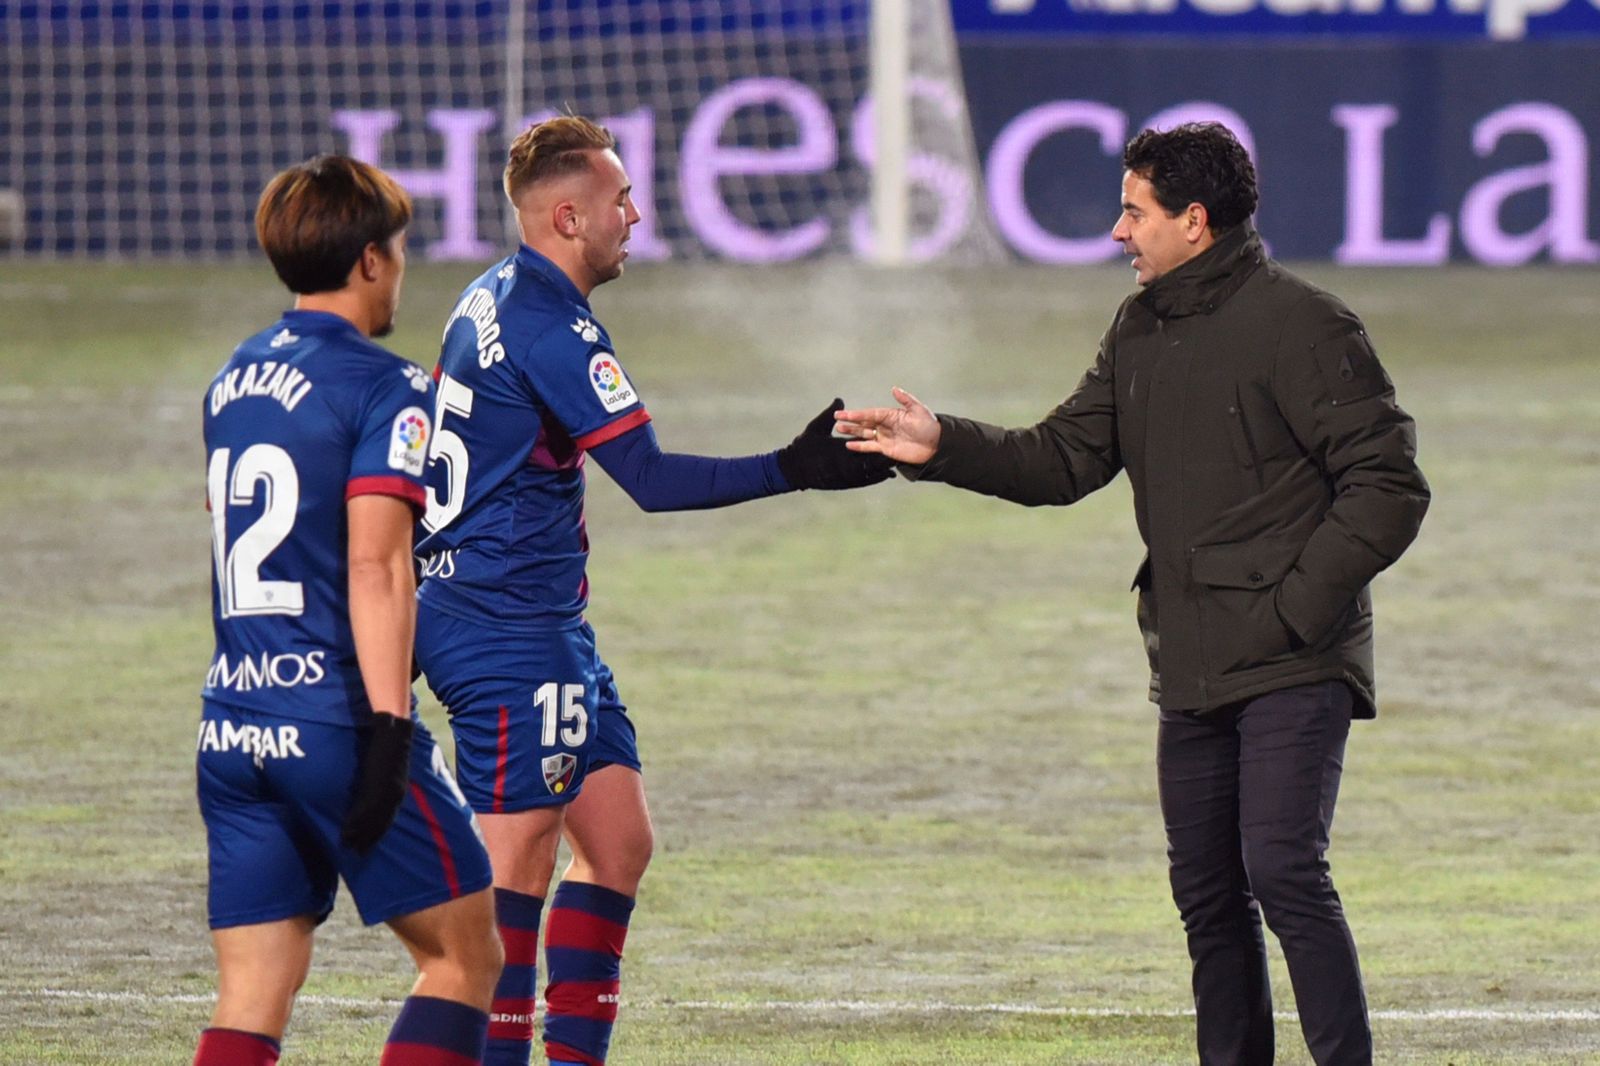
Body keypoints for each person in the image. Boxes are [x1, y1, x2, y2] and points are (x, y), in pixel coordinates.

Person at [837, 122, 1429, 1066]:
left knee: (1284, 872)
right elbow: (1063, 458)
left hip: (1293, 659)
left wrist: (1294, 611)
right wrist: (942, 443)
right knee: (1207, 895)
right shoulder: (1139, 327)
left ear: (1194, 221)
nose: (1118, 231)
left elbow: (1389, 485)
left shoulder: (1306, 324)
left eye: (1134, 211)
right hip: (1192, 659)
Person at [411, 115, 891, 1066]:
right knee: (513, 880)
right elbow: (653, 481)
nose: (634, 215)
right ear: (567, 217)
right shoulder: (552, 329)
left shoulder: (493, 292)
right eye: (619, 199)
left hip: (534, 621)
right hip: (507, 634)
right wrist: (794, 468)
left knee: (618, 842)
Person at [195, 155, 503, 1066]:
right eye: (400, 250)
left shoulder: (231, 378)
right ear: (370, 259)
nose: (402, 269)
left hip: (233, 725)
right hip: (334, 720)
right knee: (464, 957)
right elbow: (377, 566)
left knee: (256, 986)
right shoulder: (388, 387)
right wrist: (388, 731)